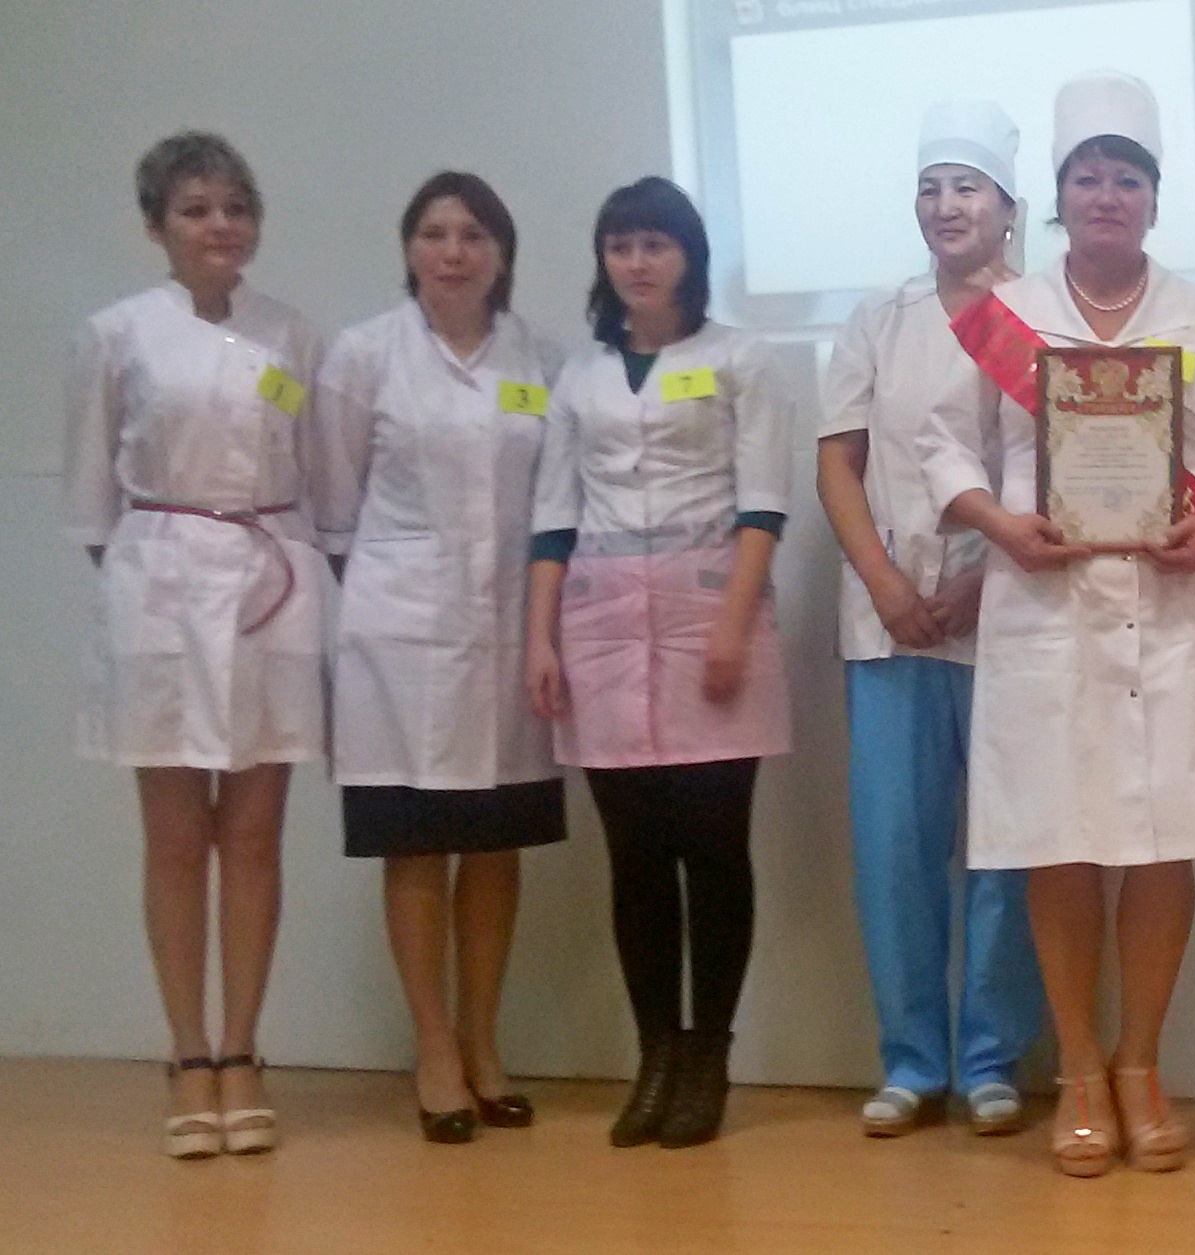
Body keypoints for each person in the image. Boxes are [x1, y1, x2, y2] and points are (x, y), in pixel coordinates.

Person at [919, 70, 1195, 1178]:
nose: (1107, 194)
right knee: (1061, 839)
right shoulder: (1009, 314)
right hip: (1046, 607)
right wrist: (999, 524)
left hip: (1173, 610)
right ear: (1059, 196)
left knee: (1167, 841)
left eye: (1127, 177)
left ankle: (1141, 1064)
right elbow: (942, 444)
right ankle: (1079, 1069)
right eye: (1087, 176)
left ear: (1153, 197)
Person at [64, 131, 324, 1159]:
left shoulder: (292, 335)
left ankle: (243, 1049)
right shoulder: (114, 334)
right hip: (159, 584)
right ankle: (186, 1053)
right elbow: (91, 500)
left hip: (270, 580)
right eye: (197, 209)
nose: (221, 226)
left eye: (236, 207)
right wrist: (155, 577)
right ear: (155, 225)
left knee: (254, 835)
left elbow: (315, 471)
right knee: (176, 839)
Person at [525, 176, 795, 1150]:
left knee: (713, 853)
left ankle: (707, 1056)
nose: (636, 262)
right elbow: (553, 517)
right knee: (635, 859)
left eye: (655, 244)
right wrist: (539, 636)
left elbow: (763, 502)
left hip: (710, 615)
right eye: (620, 245)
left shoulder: (739, 358)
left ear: (689, 256)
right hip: (600, 627)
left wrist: (730, 624)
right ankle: (654, 1057)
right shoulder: (580, 377)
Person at [312, 172, 565, 1143]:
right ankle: (433, 1051)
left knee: (495, 843)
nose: (452, 252)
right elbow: (336, 511)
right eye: (433, 233)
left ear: (502, 252)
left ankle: (483, 1041)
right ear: (409, 248)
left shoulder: (540, 359)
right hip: (399, 642)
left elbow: (553, 505)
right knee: (415, 840)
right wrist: (401, 586)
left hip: (509, 636)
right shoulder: (362, 355)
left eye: (472, 234)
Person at [817, 101, 1045, 1139]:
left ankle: (992, 1059)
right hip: (890, 623)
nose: (946, 205)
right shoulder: (881, 319)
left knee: (1009, 847)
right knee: (894, 850)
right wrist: (886, 584)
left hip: (1011, 616)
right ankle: (911, 1061)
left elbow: (1067, 468)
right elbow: (839, 462)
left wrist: (984, 583)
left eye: (967, 187)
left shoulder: (1043, 314)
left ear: (1008, 206)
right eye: (929, 187)